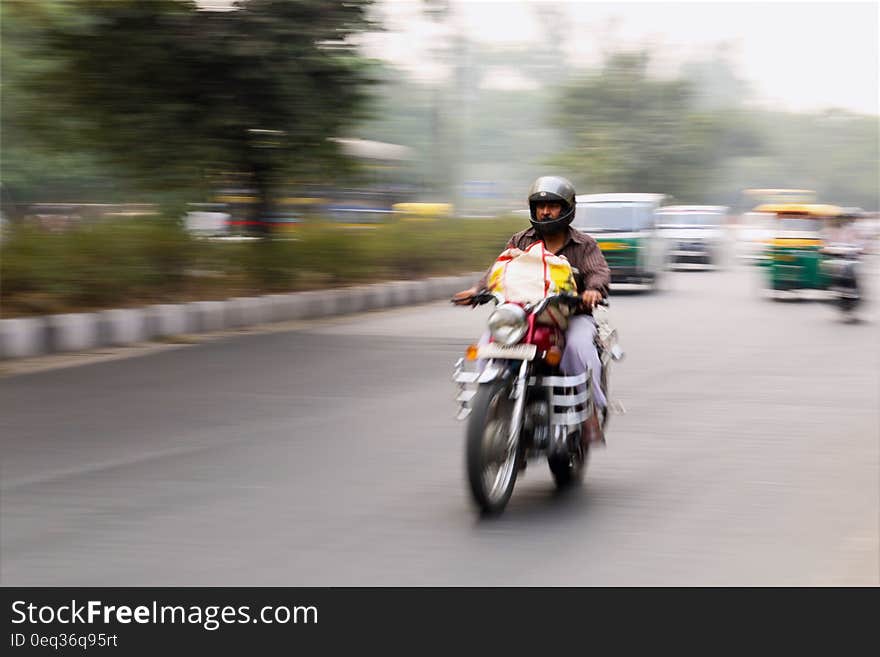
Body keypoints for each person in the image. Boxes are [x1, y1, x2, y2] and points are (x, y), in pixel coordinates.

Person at [452, 175, 612, 445]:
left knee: (578, 347)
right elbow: (498, 271)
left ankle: (590, 412)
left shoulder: (584, 244)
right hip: (523, 317)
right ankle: (489, 404)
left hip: (570, 316)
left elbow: (599, 271)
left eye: (553, 205)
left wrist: (593, 290)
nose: (545, 211)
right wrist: (477, 289)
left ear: (567, 208)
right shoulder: (520, 240)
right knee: (487, 344)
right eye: (540, 205)